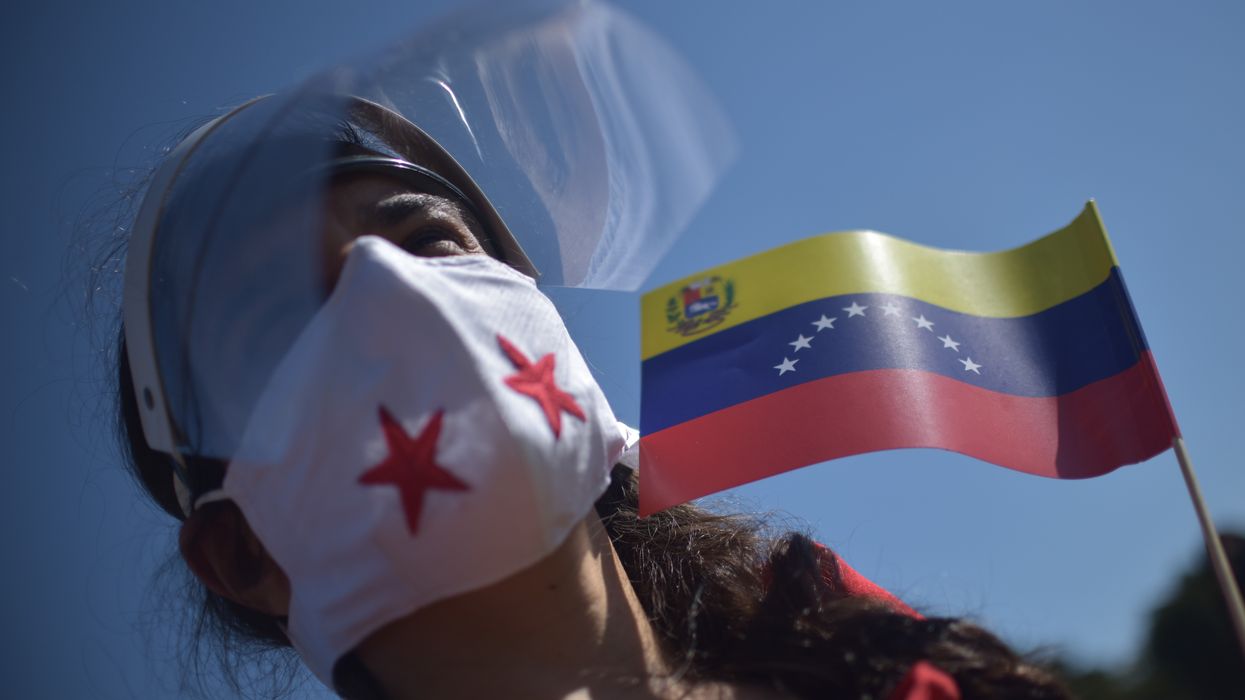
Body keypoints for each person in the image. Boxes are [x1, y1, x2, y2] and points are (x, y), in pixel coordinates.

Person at [108, 86, 1074, 700]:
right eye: (281, 321)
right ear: (238, 554)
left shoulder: (854, 647)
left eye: (428, 240)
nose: (393, 296)